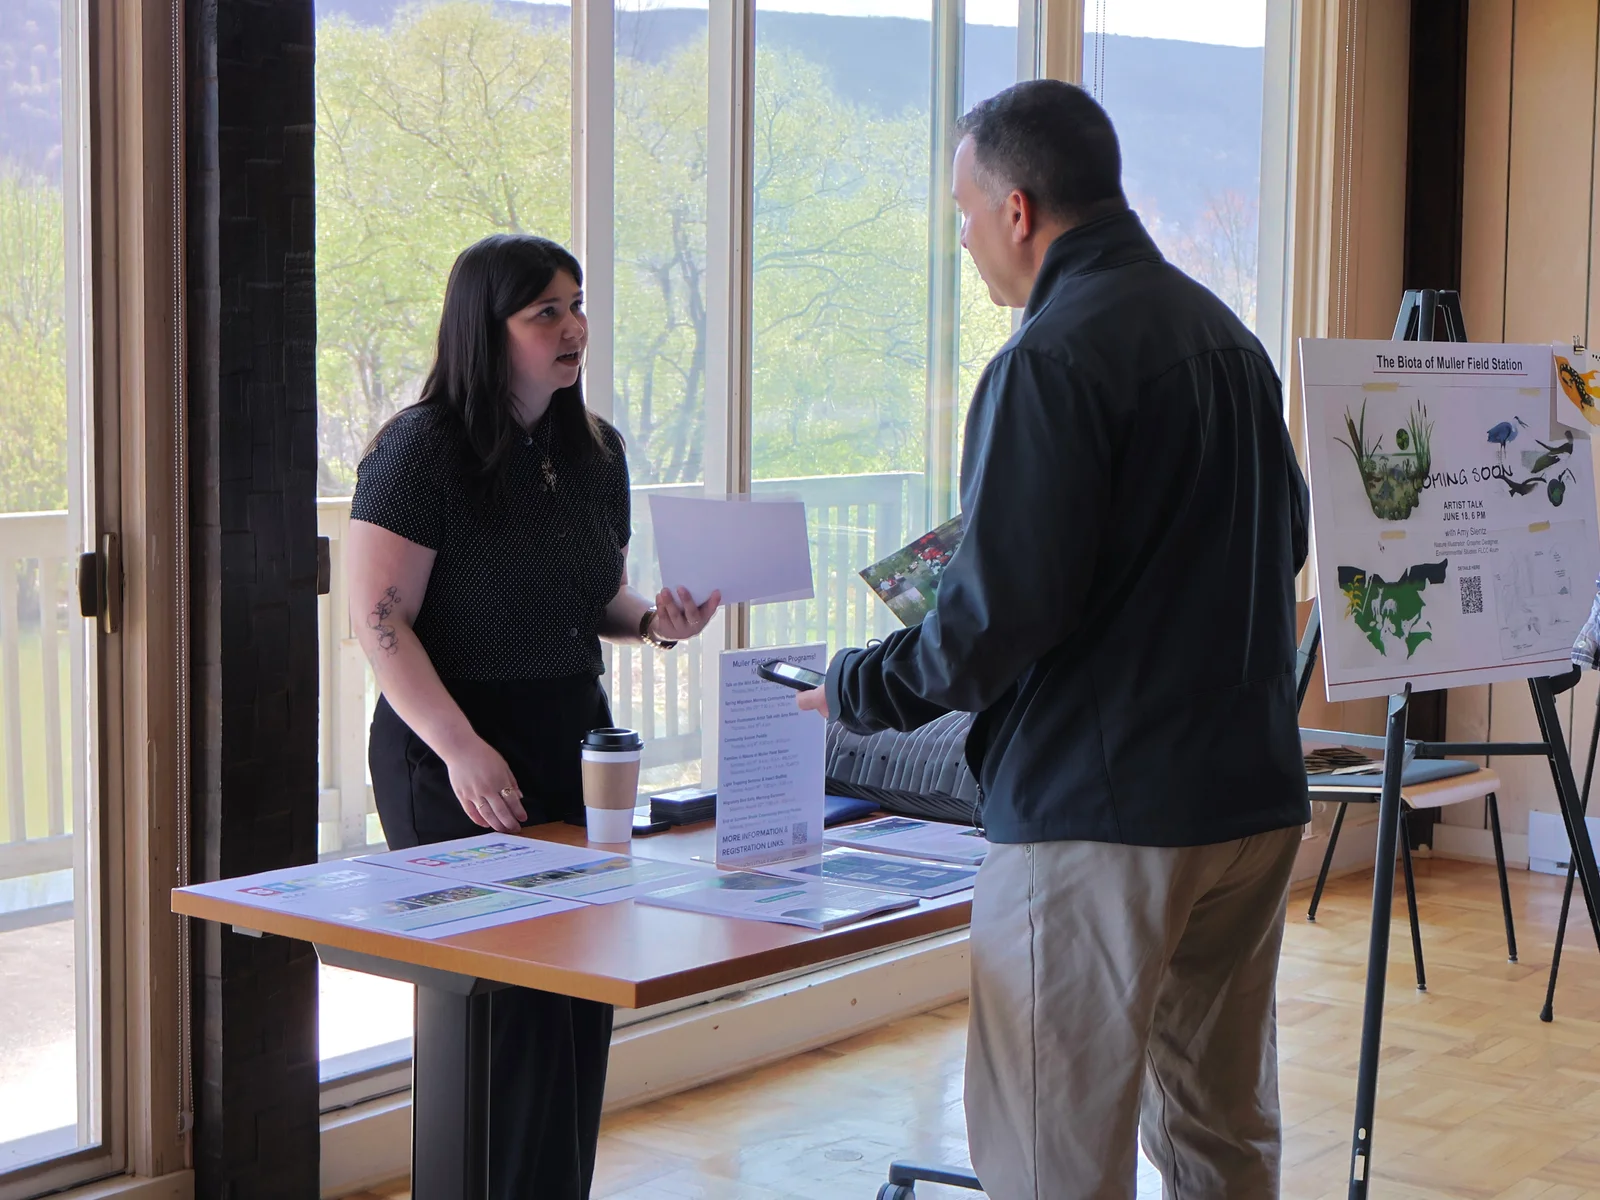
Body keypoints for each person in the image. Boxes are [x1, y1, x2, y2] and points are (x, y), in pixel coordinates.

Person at [798, 81, 1311, 1199]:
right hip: (1247, 801)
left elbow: (991, 621)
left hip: (1105, 817)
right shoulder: (1224, 339)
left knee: (1049, 1160)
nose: (967, 237)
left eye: (963, 211)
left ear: (1018, 210)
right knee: (1221, 1138)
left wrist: (853, 688)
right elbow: (1288, 541)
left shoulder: (1049, 358)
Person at [345, 233, 719, 1199]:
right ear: (487, 328)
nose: (574, 327)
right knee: (503, 1012)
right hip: (451, 749)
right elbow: (379, 624)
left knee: (575, 1007)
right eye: (544, 310)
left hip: (571, 738)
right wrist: (464, 750)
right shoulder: (421, 449)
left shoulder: (595, 452)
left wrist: (656, 621)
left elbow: (596, 598)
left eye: (577, 303)